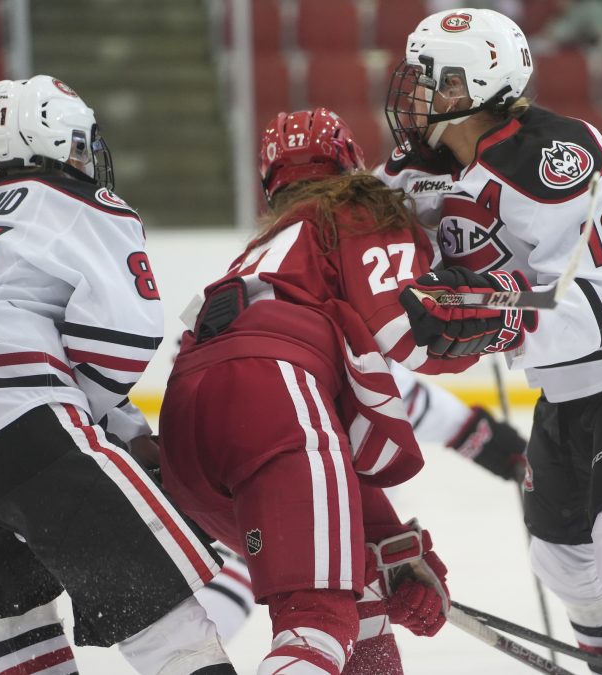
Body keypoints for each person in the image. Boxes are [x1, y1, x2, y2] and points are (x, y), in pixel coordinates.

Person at [384, 9, 602, 674]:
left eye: (439, 78)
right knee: (564, 560)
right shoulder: (424, 163)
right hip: (567, 382)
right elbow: (357, 221)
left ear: (486, 82)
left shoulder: (552, 161)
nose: (419, 90)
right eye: (419, 73)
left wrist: (490, 314)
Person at [0, 76, 235, 675]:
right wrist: (105, 434)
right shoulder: (79, 202)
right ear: (64, 141)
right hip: (21, 429)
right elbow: (120, 341)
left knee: (12, 612)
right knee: (161, 618)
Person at [157, 107, 471, 675]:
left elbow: (306, 454)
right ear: (350, 163)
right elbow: (408, 333)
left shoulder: (260, 252)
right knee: (316, 618)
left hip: (186, 418)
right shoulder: (358, 209)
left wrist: (392, 548)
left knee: (354, 592)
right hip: (273, 391)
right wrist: (501, 322)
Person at [194, 364, 528, 644]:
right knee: (337, 624)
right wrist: (509, 454)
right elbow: (425, 409)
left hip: (238, 484)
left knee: (241, 575)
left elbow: (435, 413)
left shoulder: (225, 321)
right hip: (333, 524)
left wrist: (508, 454)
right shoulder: (355, 349)